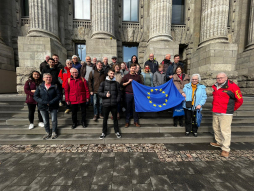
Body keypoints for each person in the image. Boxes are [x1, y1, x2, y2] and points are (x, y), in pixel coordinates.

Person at [210, 72, 243, 158]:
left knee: (225, 130)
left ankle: (225, 148)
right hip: (216, 111)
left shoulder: (233, 86)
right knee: (216, 128)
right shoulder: (216, 86)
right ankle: (219, 142)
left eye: (221, 77)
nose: (219, 79)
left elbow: (240, 100)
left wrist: (232, 109)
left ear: (226, 78)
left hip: (225, 112)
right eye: (218, 78)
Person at [34, 73, 61, 139]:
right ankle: (47, 132)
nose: (48, 78)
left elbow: (58, 95)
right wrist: (44, 102)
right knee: (45, 121)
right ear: (43, 78)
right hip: (42, 106)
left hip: (53, 106)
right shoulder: (40, 86)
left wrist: (51, 102)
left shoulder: (55, 86)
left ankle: (54, 132)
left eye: (50, 77)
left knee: (54, 120)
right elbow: (35, 96)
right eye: (47, 77)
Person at [98, 69, 121, 139]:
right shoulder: (103, 83)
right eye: (111, 73)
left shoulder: (116, 83)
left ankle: (117, 131)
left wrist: (117, 101)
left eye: (113, 74)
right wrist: (105, 95)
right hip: (106, 104)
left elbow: (119, 93)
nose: (112, 75)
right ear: (108, 73)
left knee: (115, 119)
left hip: (114, 104)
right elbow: (99, 93)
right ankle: (103, 132)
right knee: (105, 119)